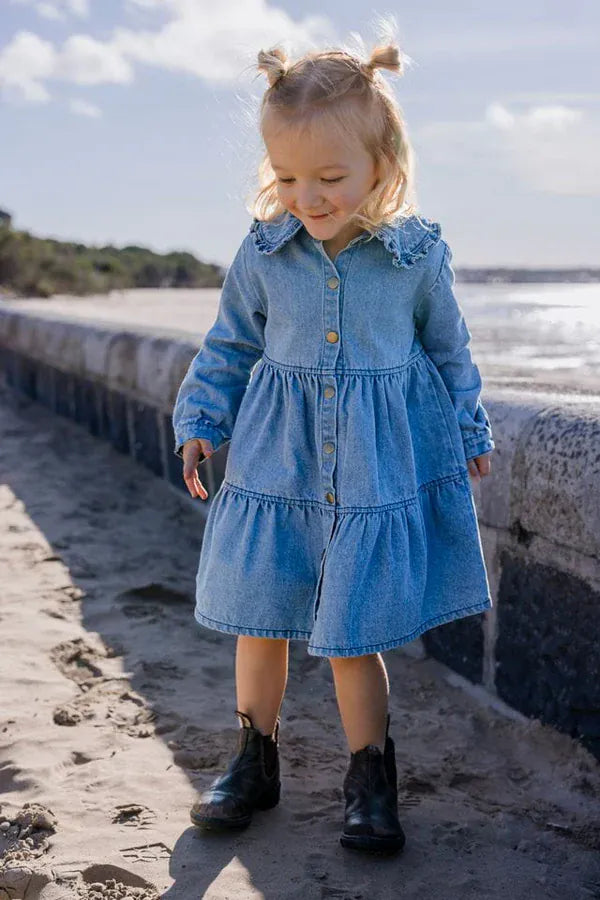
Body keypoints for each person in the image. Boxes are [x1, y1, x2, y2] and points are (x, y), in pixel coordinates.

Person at [172, 39, 494, 856]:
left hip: (370, 473)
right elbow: (229, 344)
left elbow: (450, 351)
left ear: (382, 165)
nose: (306, 197)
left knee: (354, 635)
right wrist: (202, 419)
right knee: (259, 619)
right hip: (275, 464)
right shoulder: (265, 252)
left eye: (328, 177)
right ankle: (253, 759)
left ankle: (369, 776)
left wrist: (469, 429)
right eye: (286, 178)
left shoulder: (415, 257)